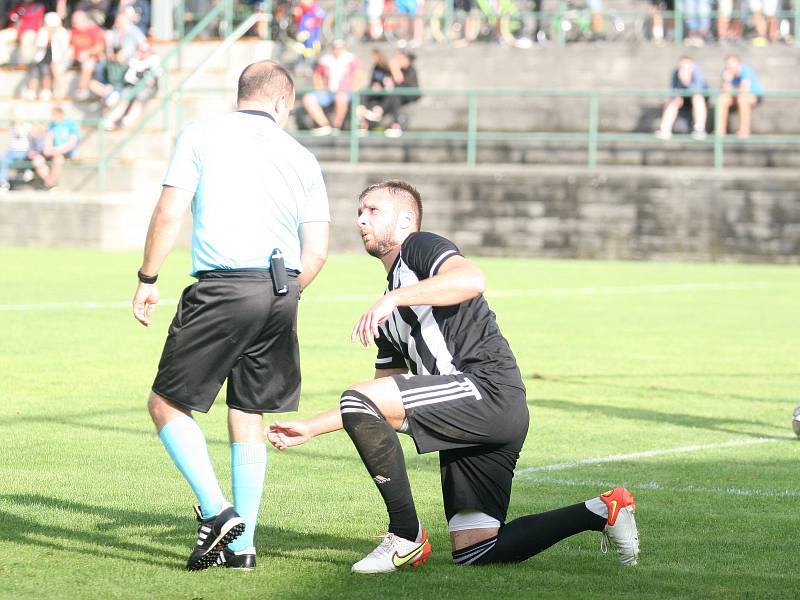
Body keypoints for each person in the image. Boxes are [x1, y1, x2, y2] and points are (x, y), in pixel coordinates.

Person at [267, 180, 640, 574]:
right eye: (360, 211)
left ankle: (405, 536)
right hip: (474, 413)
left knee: (360, 399)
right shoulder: (392, 314)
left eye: (373, 210)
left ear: (407, 219)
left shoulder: (419, 248)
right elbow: (373, 406)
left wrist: (391, 298)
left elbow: (472, 279)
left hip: (486, 390)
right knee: (475, 552)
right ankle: (603, 509)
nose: (361, 219)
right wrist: (310, 427)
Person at [131, 60, 330, 572]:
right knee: (248, 414)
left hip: (225, 287)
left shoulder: (201, 134)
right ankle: (243, 551)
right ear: (284, 102)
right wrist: (285, 293)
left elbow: (169, 211)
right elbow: (319, 250)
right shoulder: (302, 155)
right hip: (283, 288)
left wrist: (148, 279)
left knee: (166, 405)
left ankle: (218, 513)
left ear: (241, 93)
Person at [302, 39, 366, 136]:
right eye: (335, 48)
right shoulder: (325, 60)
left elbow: (359, 75)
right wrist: (320, 88)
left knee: (341, 97)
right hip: (328, 92)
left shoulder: (351, 59)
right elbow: (317, 76)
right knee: (308, 98)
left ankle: (337, 126)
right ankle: (325, 125)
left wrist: (352, 88)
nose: (337, 50)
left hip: (345, 92)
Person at [656, 56, 708, 140]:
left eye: (686, 67)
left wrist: (686, 82)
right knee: (674, 101)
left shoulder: (697, 72)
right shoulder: (676, 72)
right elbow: (673, 89)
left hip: (698, 97)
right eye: (682, 67)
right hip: (683, 97)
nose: (684, 69)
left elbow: (698, 90)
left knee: (697, 98)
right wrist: (676, 96)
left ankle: (699, 129)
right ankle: (665, 129)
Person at [30, 104, 79, 188]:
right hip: (53, 152)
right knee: (38, 161)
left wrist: (57, 151)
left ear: (60, 114)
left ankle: (51, 183)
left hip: (64, 152)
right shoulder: (52, 125)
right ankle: (49, 182)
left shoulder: (70, 124)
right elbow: (49, 139)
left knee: (58, 160)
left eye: (53, 114)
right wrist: (48, 150)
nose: (52, 117)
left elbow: (71, 143)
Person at [24, 11, 70, 101]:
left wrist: (53, 36)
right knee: (35, 73)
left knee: (47, 73)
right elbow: (40, 44)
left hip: (56, 59)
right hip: (41, 58)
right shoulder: (43, 31)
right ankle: (31, 91)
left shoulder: (62, 32)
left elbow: (64, 47)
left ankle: (47, 91)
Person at [718, 54, 764, 138]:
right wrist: (727, 81)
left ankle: (744, 130)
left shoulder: (746, 70)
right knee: (723, 99)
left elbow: (744, 90)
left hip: (753, 95)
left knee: (742, 99)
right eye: (728, 64)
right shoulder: (726, 74)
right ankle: (720, 131)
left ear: (738, 64)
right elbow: (724, 91)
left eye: (732, 64)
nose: (730, 67)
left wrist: (730, 89)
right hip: (736, 96)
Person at [69, 9, 105, 100]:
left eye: (76, 21)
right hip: (74, 59)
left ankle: (82, 90)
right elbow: (70, 45)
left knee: (88, 64)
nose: (74, 23)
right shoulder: (74, 30)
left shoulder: (94, 29)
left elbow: (100, 47)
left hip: (91, 58)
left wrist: (88, 52)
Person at [0, 0, 45, 65]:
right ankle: (4, 62)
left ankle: (25, 65)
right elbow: (12, 16)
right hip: (16, 30)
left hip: (29, 30)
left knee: (27, 39)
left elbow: (35, 22)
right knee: (1, 36)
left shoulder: (38, 6)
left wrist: (21, 29)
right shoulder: (19, 5)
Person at [0, 108, 31, 192]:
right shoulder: (13, 126)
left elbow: (18, 133)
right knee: (3, 160)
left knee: (5, 159)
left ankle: (27, 171)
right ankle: (3, 182)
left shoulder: (26, 125)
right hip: (13, 151)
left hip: (22, 151)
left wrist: (17, 121)